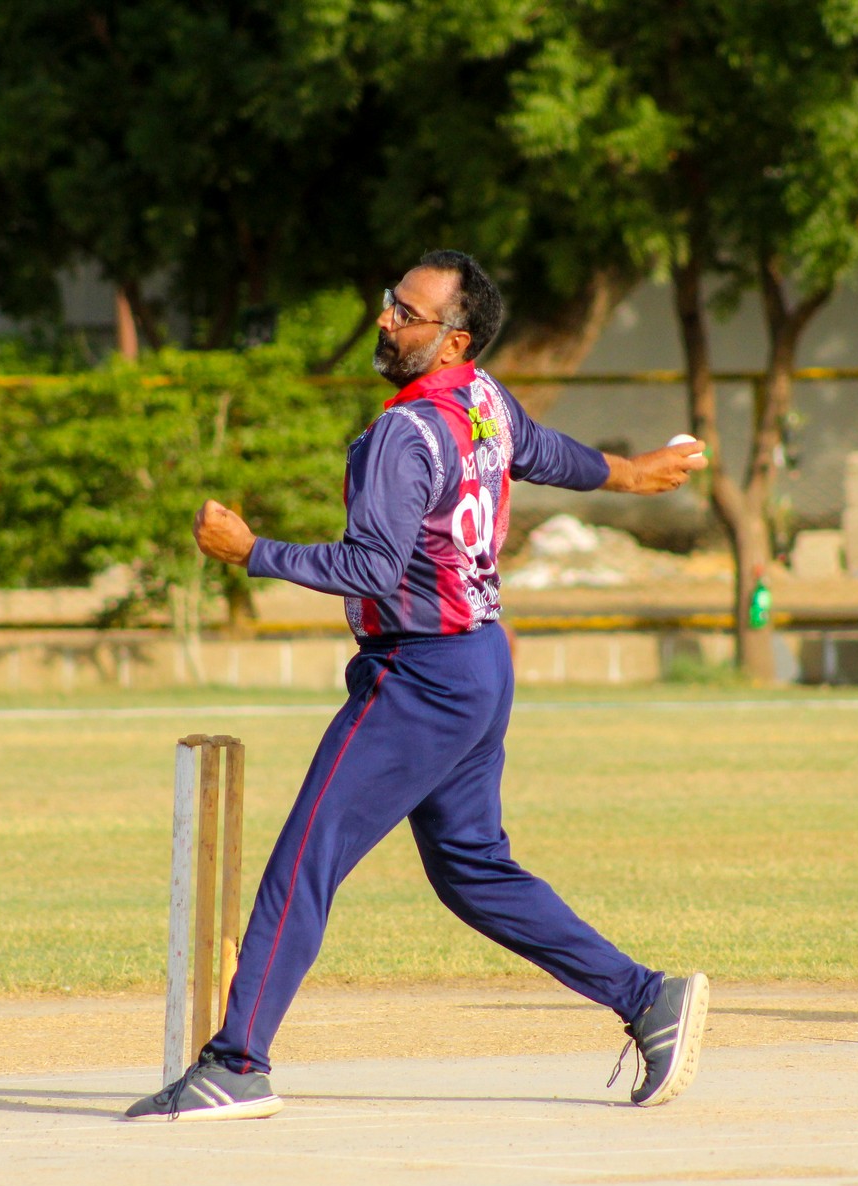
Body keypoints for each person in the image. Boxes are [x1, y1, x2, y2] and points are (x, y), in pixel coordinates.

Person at [125, 249, 710, 1123]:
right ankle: (647, 998)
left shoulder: (404, 431)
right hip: (479, 665)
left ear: (455, 340)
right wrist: (628, 472)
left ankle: (236, 1064)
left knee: (306, 858)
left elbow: (372, 566)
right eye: (390, 303)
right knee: (472, 871)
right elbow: (539, 449)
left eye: (408, 314)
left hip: (421, 675)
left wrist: (253, 554)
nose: (386, 320)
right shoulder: (481, 398)